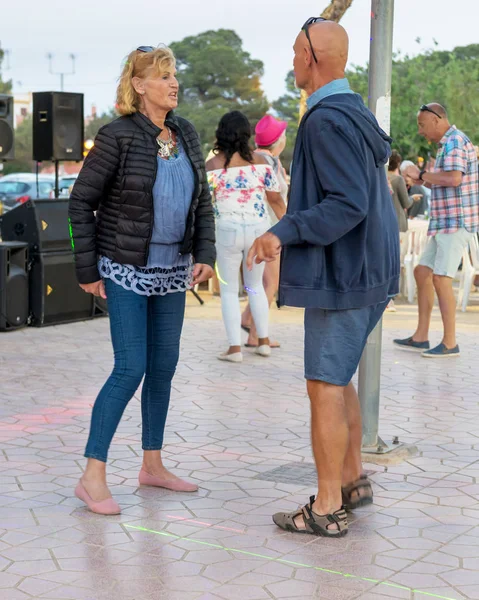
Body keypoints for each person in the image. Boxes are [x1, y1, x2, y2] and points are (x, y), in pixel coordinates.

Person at [247, 19, 399, 537]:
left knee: (324, 386)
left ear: (313, 57)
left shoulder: (324, 120)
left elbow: (347, 203)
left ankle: (328, 506)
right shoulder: (353, 112)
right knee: (338, 379)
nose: (291, 62)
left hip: (345, 272)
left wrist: (282, 232)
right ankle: (352, 480)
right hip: (369, 270)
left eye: (294, 52)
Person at [68, 45, 215, 515]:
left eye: (174, 75)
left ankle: (152, 464)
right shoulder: (117, 136)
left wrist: (205, 253)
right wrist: (88, 269)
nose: (174, 83)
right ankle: (92, 476)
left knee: (164, 365)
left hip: (173, 268)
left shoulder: (186, 133)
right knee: (130, 367)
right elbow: (79, 204)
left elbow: (203, 202)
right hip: (126, 267)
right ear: (138, 85)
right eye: (163, 76)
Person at [396, 103, 479, 357]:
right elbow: (446, 179)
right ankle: (421, 336)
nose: (420, 131)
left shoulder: (454, 142)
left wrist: (421, 173)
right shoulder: (449, 143)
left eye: (422, 125)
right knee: (423, 272)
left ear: (436, 119)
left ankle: (450, 342)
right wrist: (423, 178)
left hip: (455, 222)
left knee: (441, 278)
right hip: (444, 223)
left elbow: (454, 179)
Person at [207, 111, 286, 363]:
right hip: (257, 232)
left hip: (227, 232)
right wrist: (289, 230)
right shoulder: (261, 162)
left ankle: (235, 349)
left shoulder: (212, 165)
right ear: (247, 134)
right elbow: (276, 200)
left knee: (230, 291)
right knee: (255, 287)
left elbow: (202, 205)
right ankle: (262, 341)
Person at [241, 115, 289, 348]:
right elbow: (275, 199)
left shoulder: (257, 160)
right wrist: (288, 224)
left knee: (257, 282)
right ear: (279, 140)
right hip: (269, 230)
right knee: (271, 283)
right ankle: (257, 334)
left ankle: (247, 318)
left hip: (255, 227)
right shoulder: (268, 163)